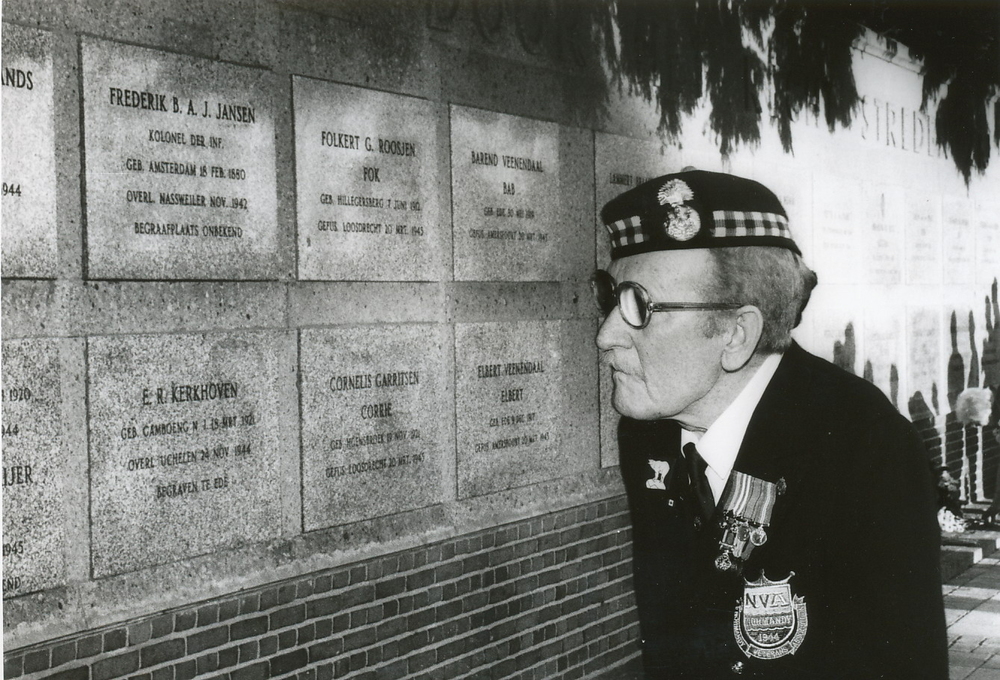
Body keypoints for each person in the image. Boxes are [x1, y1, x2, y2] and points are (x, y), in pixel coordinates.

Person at [594, 170, 947, 679]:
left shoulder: (866, 448)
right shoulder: (648, 433)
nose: (606, 335)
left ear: (736, 334)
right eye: (609, 297)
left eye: (638, 307)